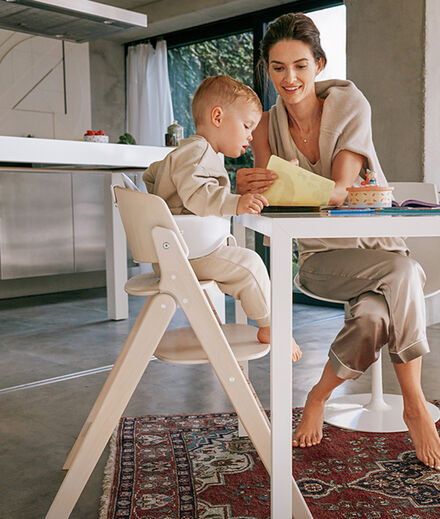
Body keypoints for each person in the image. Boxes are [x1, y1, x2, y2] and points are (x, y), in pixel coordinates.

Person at [236, 11, 440, 471]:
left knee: (373, 316)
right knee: (403, 273)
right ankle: (416, 405)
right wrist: (252, 184)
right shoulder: (267, 125)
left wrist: (290, 187)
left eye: (301, 65)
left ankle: (317, 396)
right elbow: (285, 199)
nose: (290, 78)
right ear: (267, 71)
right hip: (318, 260)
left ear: (319, 64)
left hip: (379, 248)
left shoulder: (350, 105)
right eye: (278, 67)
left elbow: (341, 193)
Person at [143, 75, 302, 361]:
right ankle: (271, 326)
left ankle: (262, 317)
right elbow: (196, 195)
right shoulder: (196, 151)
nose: (250, 136)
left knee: (238, 264)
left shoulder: (189, 153)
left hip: (182, 251)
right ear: (218, 117)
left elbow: (153, 173)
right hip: (188, 253)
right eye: (246, 126)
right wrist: (236, 202)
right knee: (250, 264)